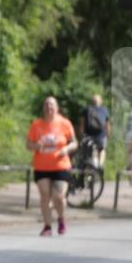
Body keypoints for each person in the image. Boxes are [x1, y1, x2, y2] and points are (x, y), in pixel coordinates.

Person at [26, 96, 77, 236]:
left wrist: (66, 149)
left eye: (52, 105)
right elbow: (28, 144)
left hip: (61, 166)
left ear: (57, 108)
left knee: (58, 196)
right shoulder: (36, 124)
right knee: (44, 195)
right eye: (47, 105)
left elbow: (74, 143)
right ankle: (47, 226)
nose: (49, 108)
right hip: (41, 166)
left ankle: (61, 218)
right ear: (44, 108)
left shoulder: (65, 123)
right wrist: (36, 146)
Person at [80, 94, 111, 169]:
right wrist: (108, 134)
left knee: (87, 149)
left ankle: (87, 163)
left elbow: (82, 123)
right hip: (101, 134)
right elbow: (107, 124)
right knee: (102, 149)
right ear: (101, 101)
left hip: (88, 134)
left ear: (92, 101)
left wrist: (82, 133)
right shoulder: (105, 110)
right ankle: (100, 164)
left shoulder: (87, 109)